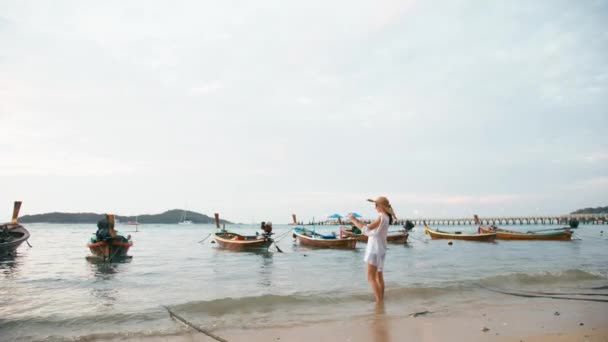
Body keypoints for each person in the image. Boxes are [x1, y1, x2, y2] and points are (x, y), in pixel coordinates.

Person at [349, 196, 397, 303]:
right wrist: (359, 222)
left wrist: (353, 220)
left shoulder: (380, 216)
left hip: (374, 250)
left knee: (371, 278)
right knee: (379, 276)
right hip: (381, 250)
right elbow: (370, 228)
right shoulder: (387, 218)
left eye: (376, 205)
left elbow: (366, 230)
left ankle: (379, 302)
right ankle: (381, 299)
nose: (375, 207)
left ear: (381, 206)